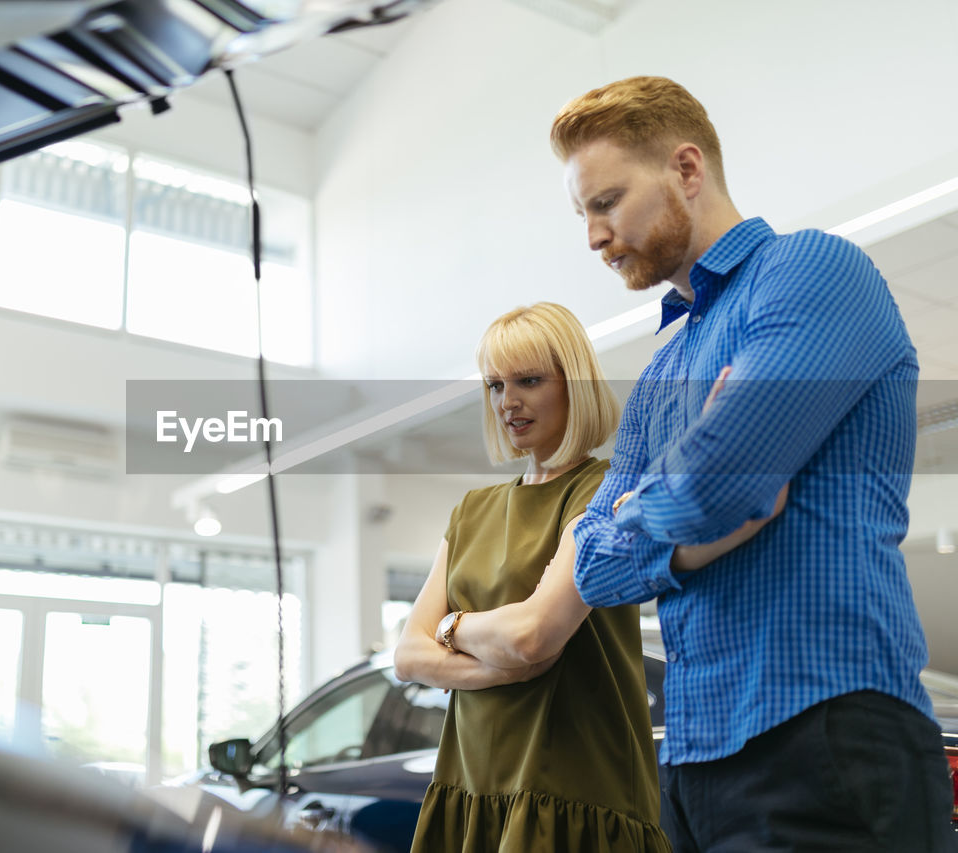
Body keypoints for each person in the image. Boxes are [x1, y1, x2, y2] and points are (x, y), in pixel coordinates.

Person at [553, 76, 955, 851]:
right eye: (583, 215)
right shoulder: (667, 367)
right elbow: (590, 566)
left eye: (606, 202)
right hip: (694, 762)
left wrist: (658, 501)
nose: (594, 237)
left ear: (686, 169)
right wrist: (688, 498)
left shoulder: (813, 273)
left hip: (827, 733)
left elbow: (716, 485)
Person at [393, 302, 671, 852]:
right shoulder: (471, 510)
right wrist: (501, 668)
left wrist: (450, 626)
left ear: (576, 386)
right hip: (468, 786)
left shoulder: (603, 491)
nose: (508, 401)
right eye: (495, 385)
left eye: (529, 380)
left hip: (572, 787)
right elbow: (407, 656)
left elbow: (531, 637)